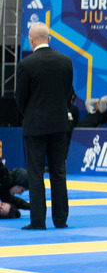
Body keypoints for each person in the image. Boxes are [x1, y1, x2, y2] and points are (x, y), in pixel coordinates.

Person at [15, 22, 73, 230]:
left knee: (36, 173)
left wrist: (30, 114)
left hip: (35, 126)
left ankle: (38, 221)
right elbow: (68, 94)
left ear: (31, 40)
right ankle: (61, 220)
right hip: (59, 125)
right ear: (49, 39)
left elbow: (20, 99)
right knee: (59, 172)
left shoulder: (26, 65)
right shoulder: (65, 62)